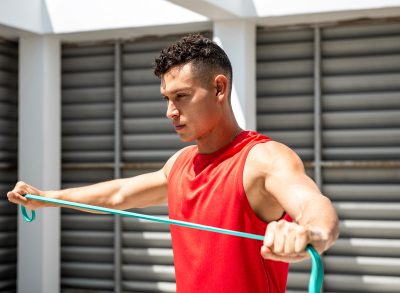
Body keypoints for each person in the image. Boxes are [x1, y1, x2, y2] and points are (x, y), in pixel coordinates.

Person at [7, 34, 339, 293]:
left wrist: (308, 233)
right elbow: (119, 194)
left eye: (181, 97)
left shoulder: (262, 158)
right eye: (167, 99)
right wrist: (46, 197)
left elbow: (316, 207)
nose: (170, 112)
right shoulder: (180, 164)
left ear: (219, 88)